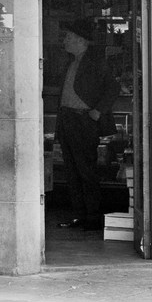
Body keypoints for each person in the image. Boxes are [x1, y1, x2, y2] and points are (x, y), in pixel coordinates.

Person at [53, 18, 119, 232]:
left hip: (83, 121)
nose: (65, 41)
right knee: (71, 171)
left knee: (86, 171)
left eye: (69, 37)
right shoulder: (70, 61)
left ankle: (92, 217)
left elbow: (112, 88)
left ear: (81, 41)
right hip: (67, 120)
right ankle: (79, 215)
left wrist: (97, 112)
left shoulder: (95, 62)